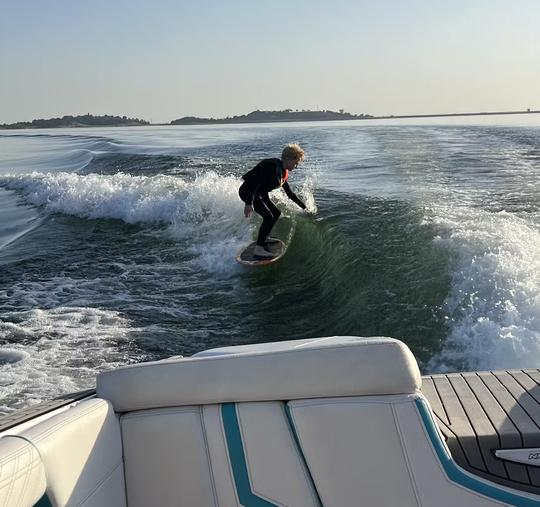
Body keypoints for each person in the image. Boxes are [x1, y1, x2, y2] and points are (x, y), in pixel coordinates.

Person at [239, 143, 306, 258]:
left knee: (276, 213)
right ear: (288, 158)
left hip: (260, 194)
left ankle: (264, 237)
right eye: (296, 163)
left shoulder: (283, 173)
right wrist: (248, 203)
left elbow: (290, 194)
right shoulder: (271, 166)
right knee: (269, 216)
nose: (296, 166)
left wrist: (304, 207)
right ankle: (259, 249)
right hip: (248, 191)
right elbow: (255, 183)